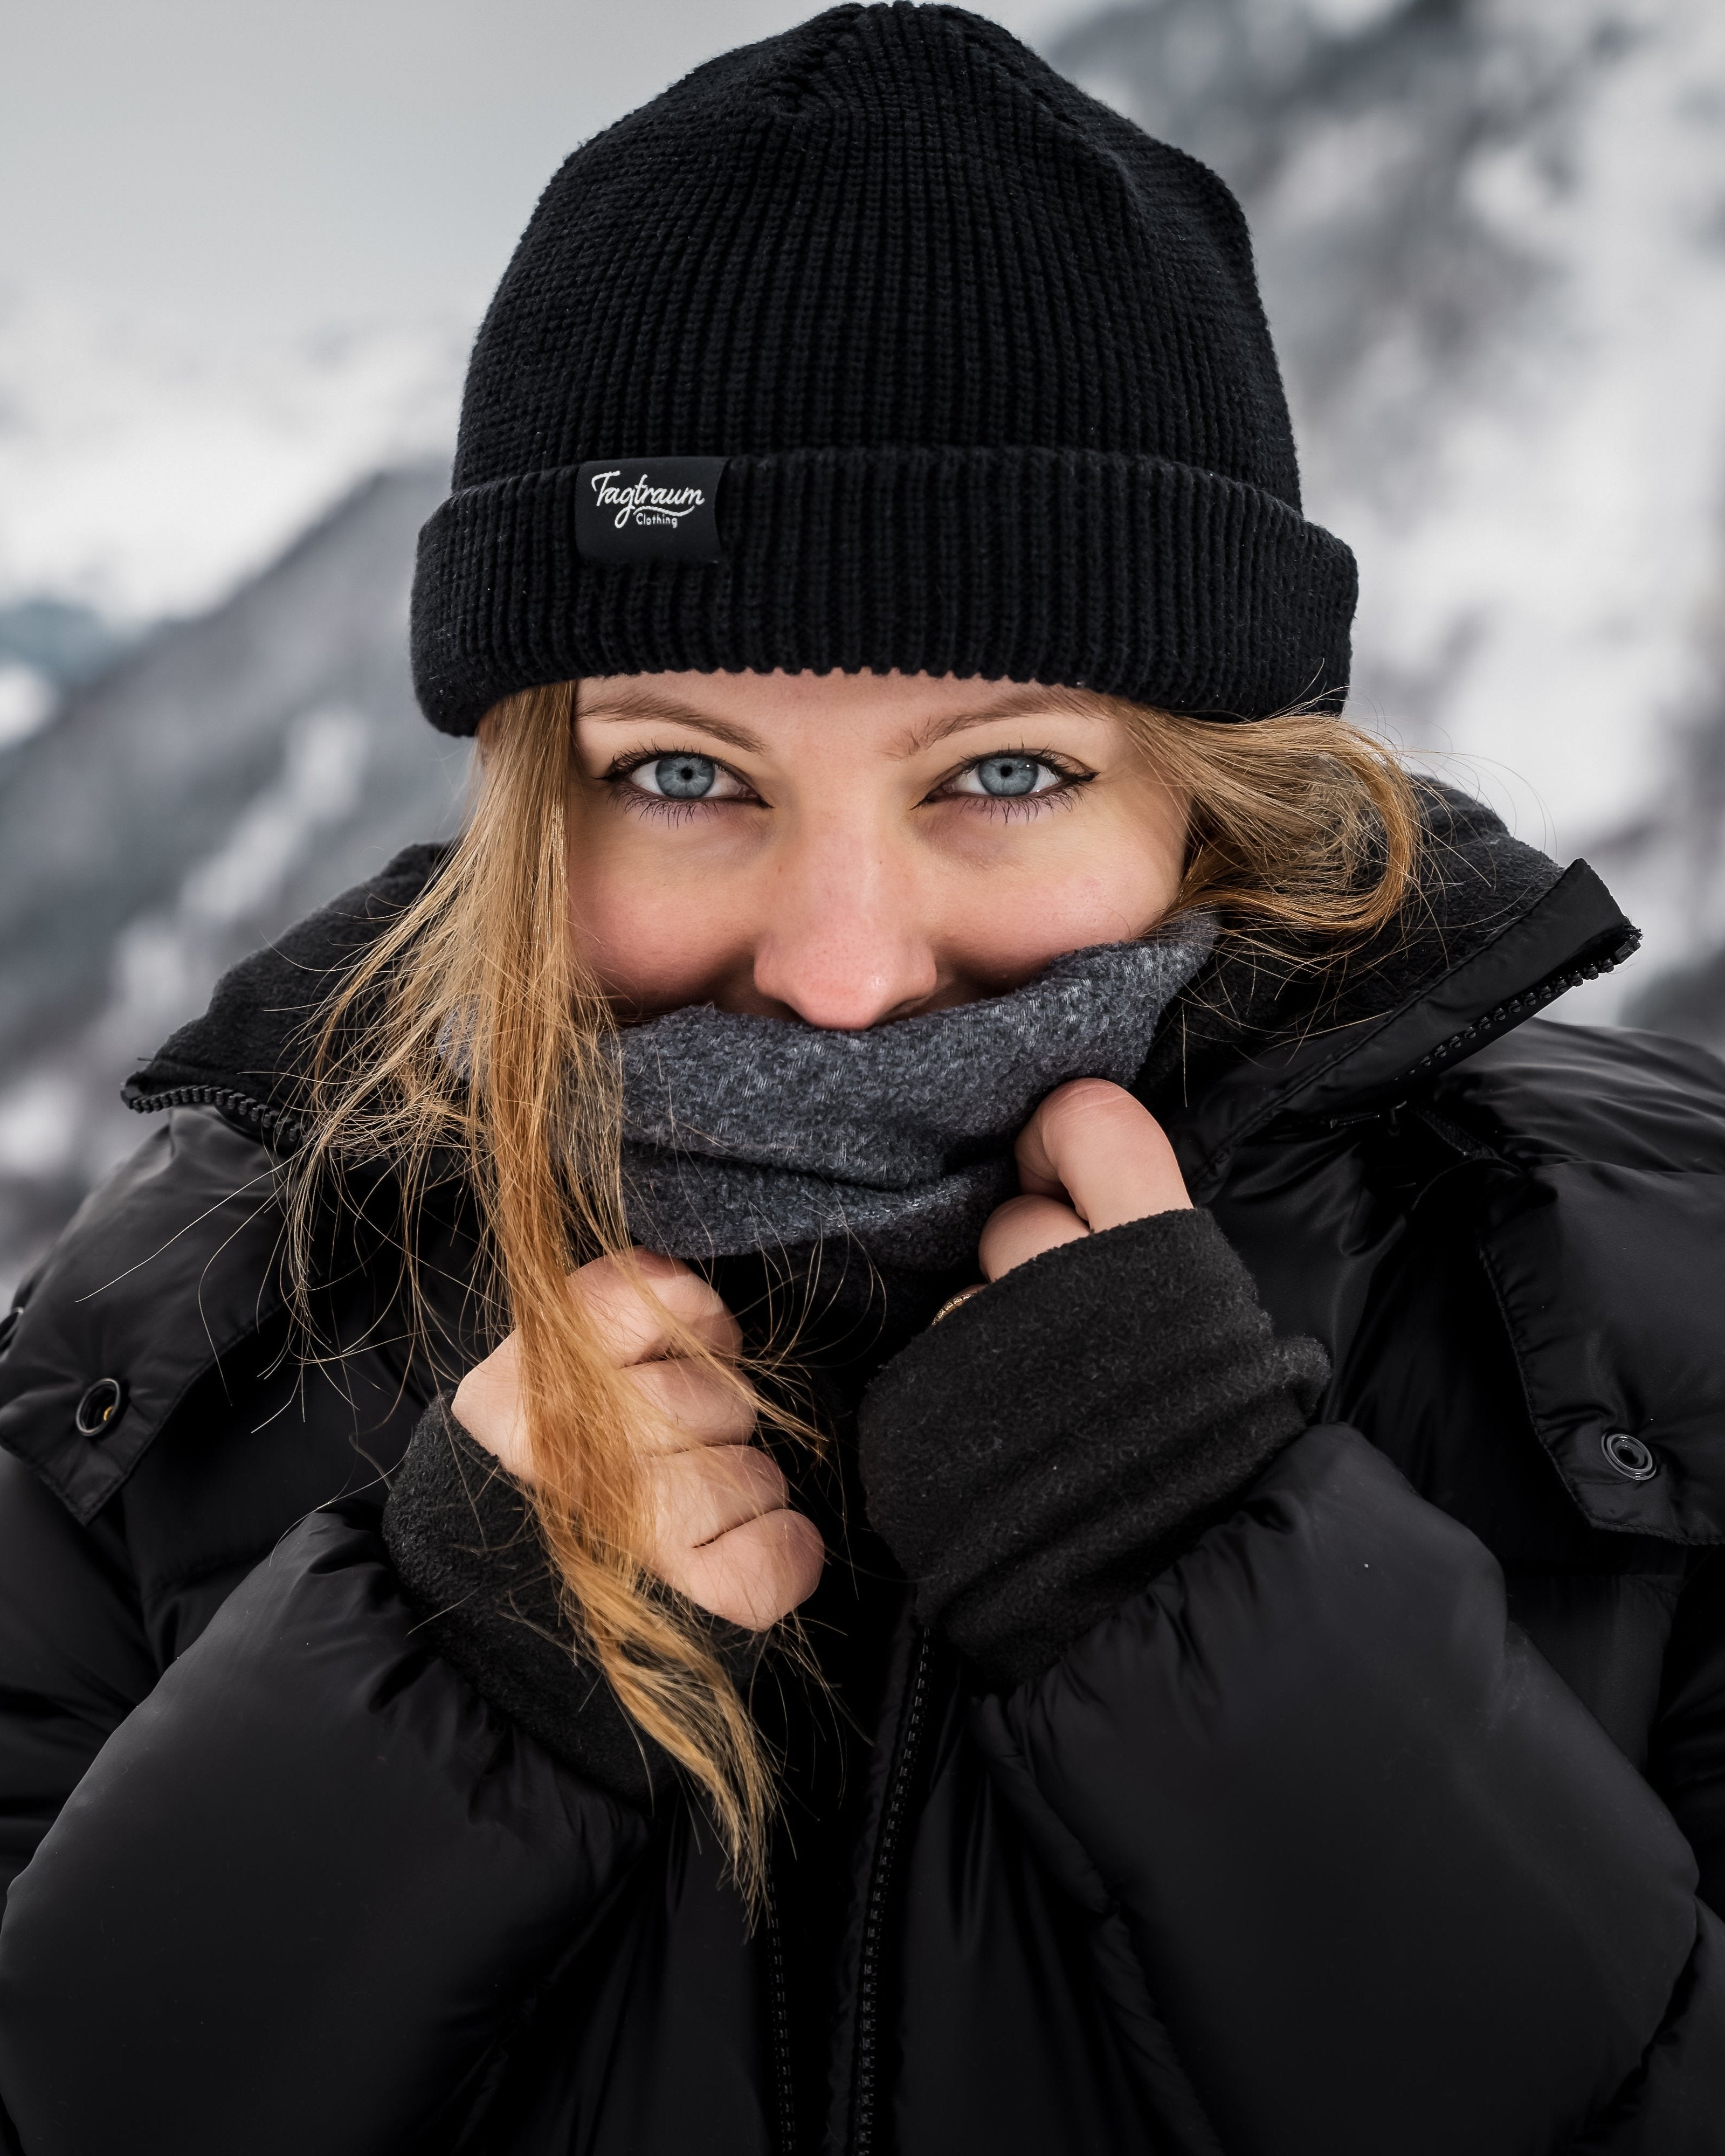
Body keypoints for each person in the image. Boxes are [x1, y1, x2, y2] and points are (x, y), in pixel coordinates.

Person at [1, 5, 1722, 2150]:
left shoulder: (1656, 1331)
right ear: (542, 804)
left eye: (1003, 770)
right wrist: (423, 1697)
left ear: (1213, 795)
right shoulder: (152, 1370)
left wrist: (1230, 1606)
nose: (835, 971)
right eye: (680, 775)